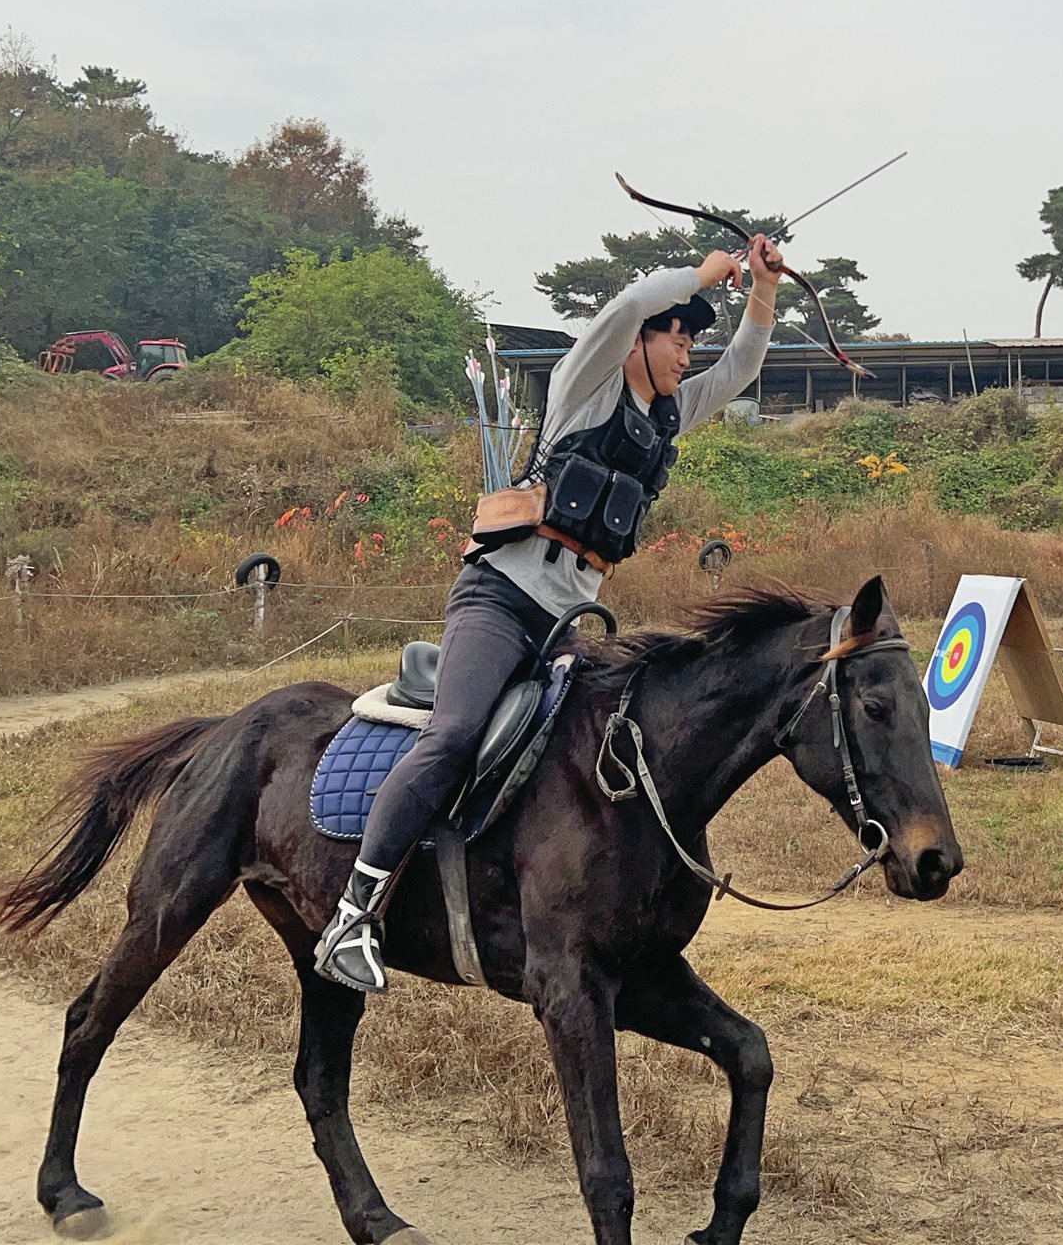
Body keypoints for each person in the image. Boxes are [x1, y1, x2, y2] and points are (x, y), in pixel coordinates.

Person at [314, 236, 785, 990]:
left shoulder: (668, 415)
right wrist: (702, 273)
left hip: (565, 623)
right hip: (499, 600)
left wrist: (760, 289)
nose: (689, 354)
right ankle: (354, 914)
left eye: (694, 338)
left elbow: (742, 369)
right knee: (456, 734)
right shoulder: (584, 386)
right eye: (679, 336)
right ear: (640, 341)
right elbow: (630, 303)